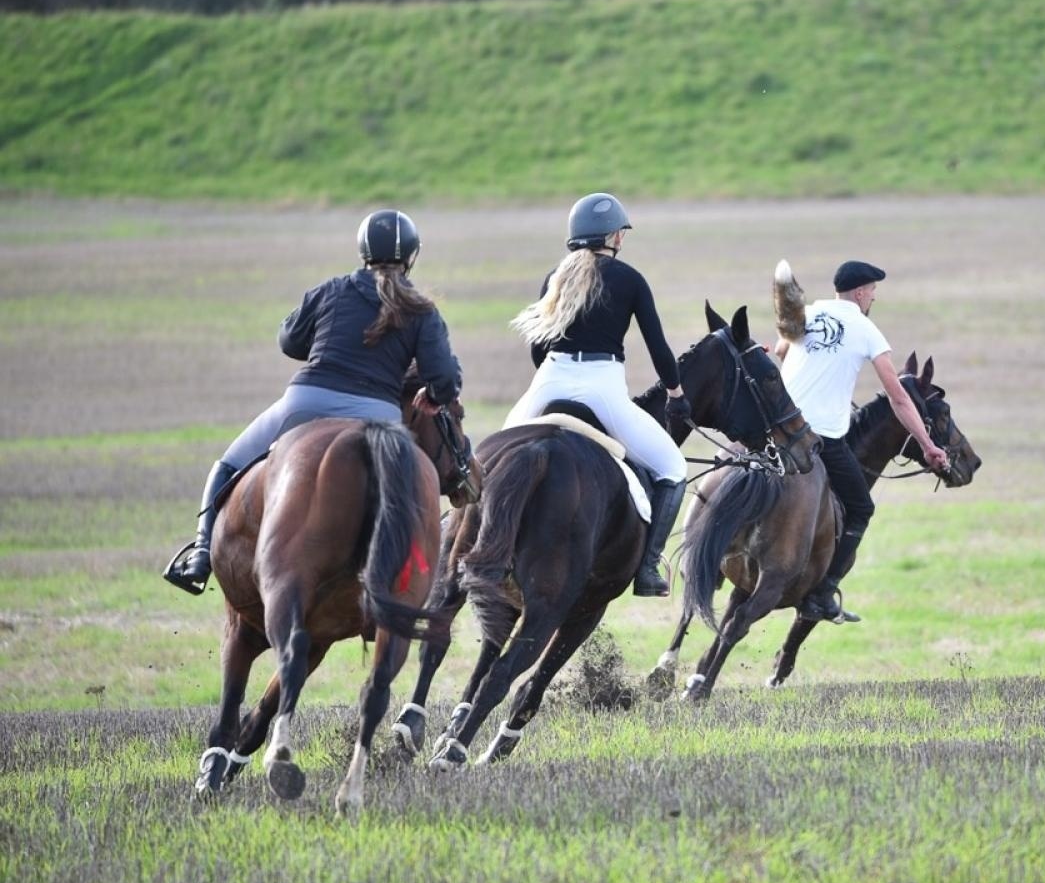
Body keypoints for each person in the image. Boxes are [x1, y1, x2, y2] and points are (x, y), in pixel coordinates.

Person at [163, 209, 464, 594]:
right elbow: (444, 377)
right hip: (378, 416)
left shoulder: (332, 290)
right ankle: (410, 576)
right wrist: (434, 395)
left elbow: (289, 340)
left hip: (305, 404)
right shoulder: (422, 310)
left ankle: (202, 555)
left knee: (229, 464)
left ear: (362, 252)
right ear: (412, 256)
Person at [503, 193, 691, 597]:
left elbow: (538, 349)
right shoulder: (630, 279)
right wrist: (675, 392)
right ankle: (647, 569)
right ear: (615, 237)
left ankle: (480, 548)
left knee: (496, 458)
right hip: (602, 386)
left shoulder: (555, 277)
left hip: (551, 377)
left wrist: (557, 380)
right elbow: (658, 348)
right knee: (673, 469)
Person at [775, 260, 951, 624]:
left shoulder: (808, 313)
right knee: (860, 508)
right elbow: (899, 398)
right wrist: (928, 444)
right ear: (859, 293)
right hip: (821, 436)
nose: (873, 297)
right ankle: (823, 593)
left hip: (777, 428)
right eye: (872, 290)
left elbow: (781, 351)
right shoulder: (867, 329)